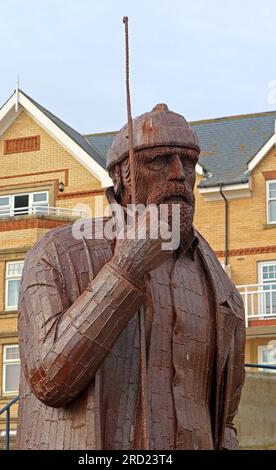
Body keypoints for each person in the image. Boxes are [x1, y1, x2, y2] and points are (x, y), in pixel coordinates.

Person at [16, 104, 245, 450]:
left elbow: (225, 420)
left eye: (188, 162)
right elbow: (49, 380)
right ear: (121, 174)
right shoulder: (59, 253)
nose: (178, 174)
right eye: (159, 160)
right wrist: (126, 268)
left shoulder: (219, 283)